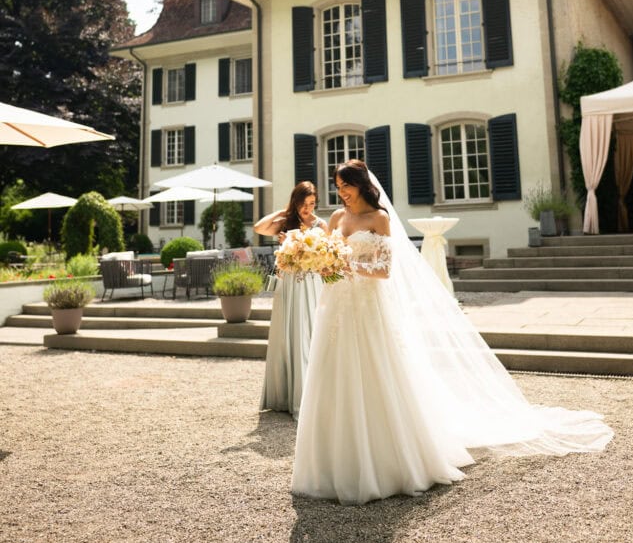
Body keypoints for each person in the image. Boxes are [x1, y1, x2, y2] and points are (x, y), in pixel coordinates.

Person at [292, 160, 613, 505]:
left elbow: (384, 271)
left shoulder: (379, 219)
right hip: (336, 305)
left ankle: (385, 461)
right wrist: (315, 263)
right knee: (332, 374)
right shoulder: (337, 219)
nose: (341, 194)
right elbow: (327, 262)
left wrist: (347, 264)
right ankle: (328, 464)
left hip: (368, 309)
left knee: (374, 372)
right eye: (337, 188)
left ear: (361, 185)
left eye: (346, 186)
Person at [255, 181, 327, 420]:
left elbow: (326, 257)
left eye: (312, 204)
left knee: (306, 332)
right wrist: (284, 212)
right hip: (287, 283)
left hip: (310, 283)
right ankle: (283, 395)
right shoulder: (286, 224)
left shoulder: (320, 224)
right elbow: (259, 227)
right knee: (286, 335)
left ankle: (306, 395)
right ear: (295, 202)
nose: (308, 209)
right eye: (304, 204)